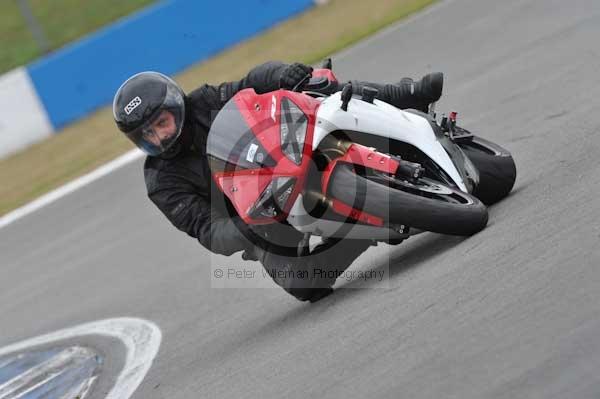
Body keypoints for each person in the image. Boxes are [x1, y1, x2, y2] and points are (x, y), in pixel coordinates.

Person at [113, 61, 442, 302]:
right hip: (260, 217)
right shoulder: (161, 181)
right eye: (148, 134)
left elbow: (250, 84)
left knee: (312, 84)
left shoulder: (204, 102)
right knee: (304, 286)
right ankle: (364, 230)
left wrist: (280, 74)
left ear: (176, 107)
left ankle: (403, 95)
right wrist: (247, 225)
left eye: (161, 123)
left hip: (286, 151)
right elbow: (206, 230)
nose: (159, 137)